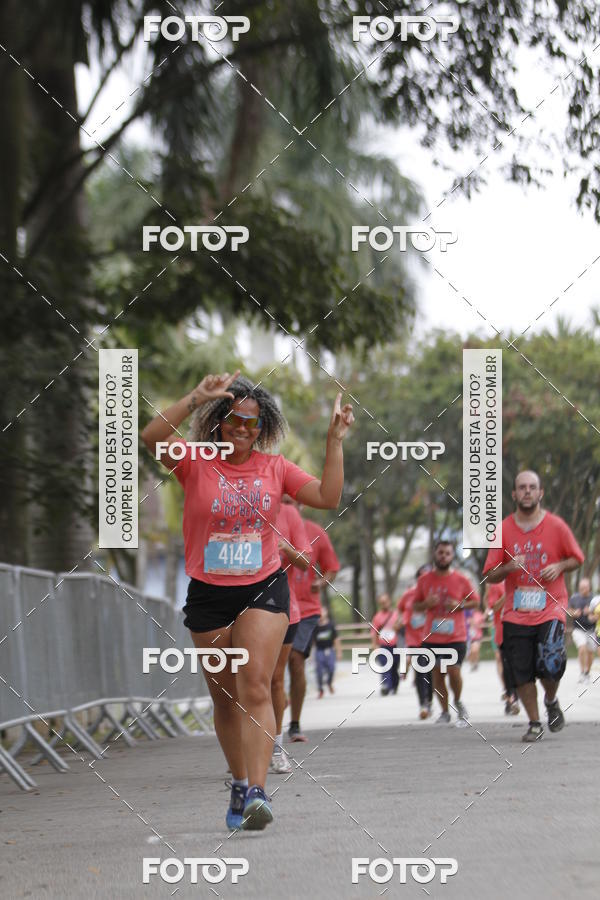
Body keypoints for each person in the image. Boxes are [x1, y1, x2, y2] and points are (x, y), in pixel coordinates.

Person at [141, 371, 353, 830]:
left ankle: (258, 791)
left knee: (255, 685)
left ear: (262, 428)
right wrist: (196, 397)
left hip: (262, 586)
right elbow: (151, 436)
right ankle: (239, 782)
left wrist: (334, 441)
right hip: (208, 593)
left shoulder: (276, 468)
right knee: (225, 699)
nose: (242, 428)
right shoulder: (195, 461)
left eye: (251, 423)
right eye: (234, 419)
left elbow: (327, 496)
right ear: (219, 421)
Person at [484, 470, 584, 742]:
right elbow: (489, 575)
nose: (527, 491)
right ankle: (535, 722)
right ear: (514, 494)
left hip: (551, 607)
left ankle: (550, 700)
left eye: (532, 487)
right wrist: (508, 567)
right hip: (516, 614)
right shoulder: (502, 530)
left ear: (540, 493)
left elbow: (577, 558)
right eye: (522, 487)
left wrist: (559, 566)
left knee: (551, 663)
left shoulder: (557, 526)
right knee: (522, 671)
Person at [413, 541, 480, 727]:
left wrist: (460, 605)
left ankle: (458, 701)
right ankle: (444, 711)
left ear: (452, 556)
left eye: (447, 553)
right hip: (432, 636)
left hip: (455, 636)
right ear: (435, 554)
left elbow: (476, 602)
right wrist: (426, 604)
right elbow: (415, 606)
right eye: (440, 552)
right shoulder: (424, 580)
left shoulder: (461, 579)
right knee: (437, 674)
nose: (443, 556)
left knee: (453, 670)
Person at [287, 513, 340, 741]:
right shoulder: (267, 525)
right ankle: (272, 715)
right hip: (273, 605)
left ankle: (295, 724)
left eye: (292, 502)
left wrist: (321, 582)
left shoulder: (315, 531)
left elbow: (332, 567)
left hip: (306, 609)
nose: (288, 506)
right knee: (272, 667)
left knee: (295, 659)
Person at [269, 497, 312, 774]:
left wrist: (286, 547)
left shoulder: (289, 515)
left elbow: (306, 561)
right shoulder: (235, 505)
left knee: (275, 677)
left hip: (283, 606)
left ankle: (276, 746)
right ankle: (244, 748)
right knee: (244, 679)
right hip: (237, 604)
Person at [397, 565, 432, 718]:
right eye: (423, 577)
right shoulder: (408, 595)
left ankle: (429, 702)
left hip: (433, 637)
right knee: (420, 671)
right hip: (414, 638)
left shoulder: (436, 594)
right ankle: (423, 704)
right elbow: (400, 609)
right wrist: (401, 619)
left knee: (431, 673)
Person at [485, 581, 519, 715]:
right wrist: (506, 595)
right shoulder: (496, 585)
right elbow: (493, 607)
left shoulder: (523, 582)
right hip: (503, 629)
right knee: (506, 663)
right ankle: (511, 697)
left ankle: (513, 694)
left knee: (518, 664)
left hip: (521, 628)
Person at [567, 577, 597, 683]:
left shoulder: (594, 599)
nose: (583, 589)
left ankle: (587, 672)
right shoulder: (574, 598)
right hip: (578, 629)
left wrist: (590, 612)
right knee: (582, 647)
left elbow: (597, 613)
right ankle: (582, 672)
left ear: (589, 587)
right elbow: (569, 610)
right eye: (581, 587)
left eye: (585, 587)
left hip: (591, 629)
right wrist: (574, 613)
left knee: (590, 652)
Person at [371, 593, 401, 696]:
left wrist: (398, 626)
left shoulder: (396, 614)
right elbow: (374, 632)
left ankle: (394, 685)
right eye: (382, 603)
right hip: (383, 646)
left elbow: (402, 627)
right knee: (385, 666)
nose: (384, 604)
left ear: (389, 602)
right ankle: (386, 686)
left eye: (385, 602)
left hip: (395, 645)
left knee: (394, 667)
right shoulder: (377, 617)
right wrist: (374, 645)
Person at [313, 608, 342, 697]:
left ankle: (329, 683)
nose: (321, 614)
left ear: (326, 613)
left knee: (331, 668)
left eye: (323, 611)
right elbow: (312, 641)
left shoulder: (331, 625)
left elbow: (336, 639)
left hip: (330, 650)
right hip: (319, 651)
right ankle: (320, 689)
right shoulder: (315, 626)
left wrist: (339, 652)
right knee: (319, 671)